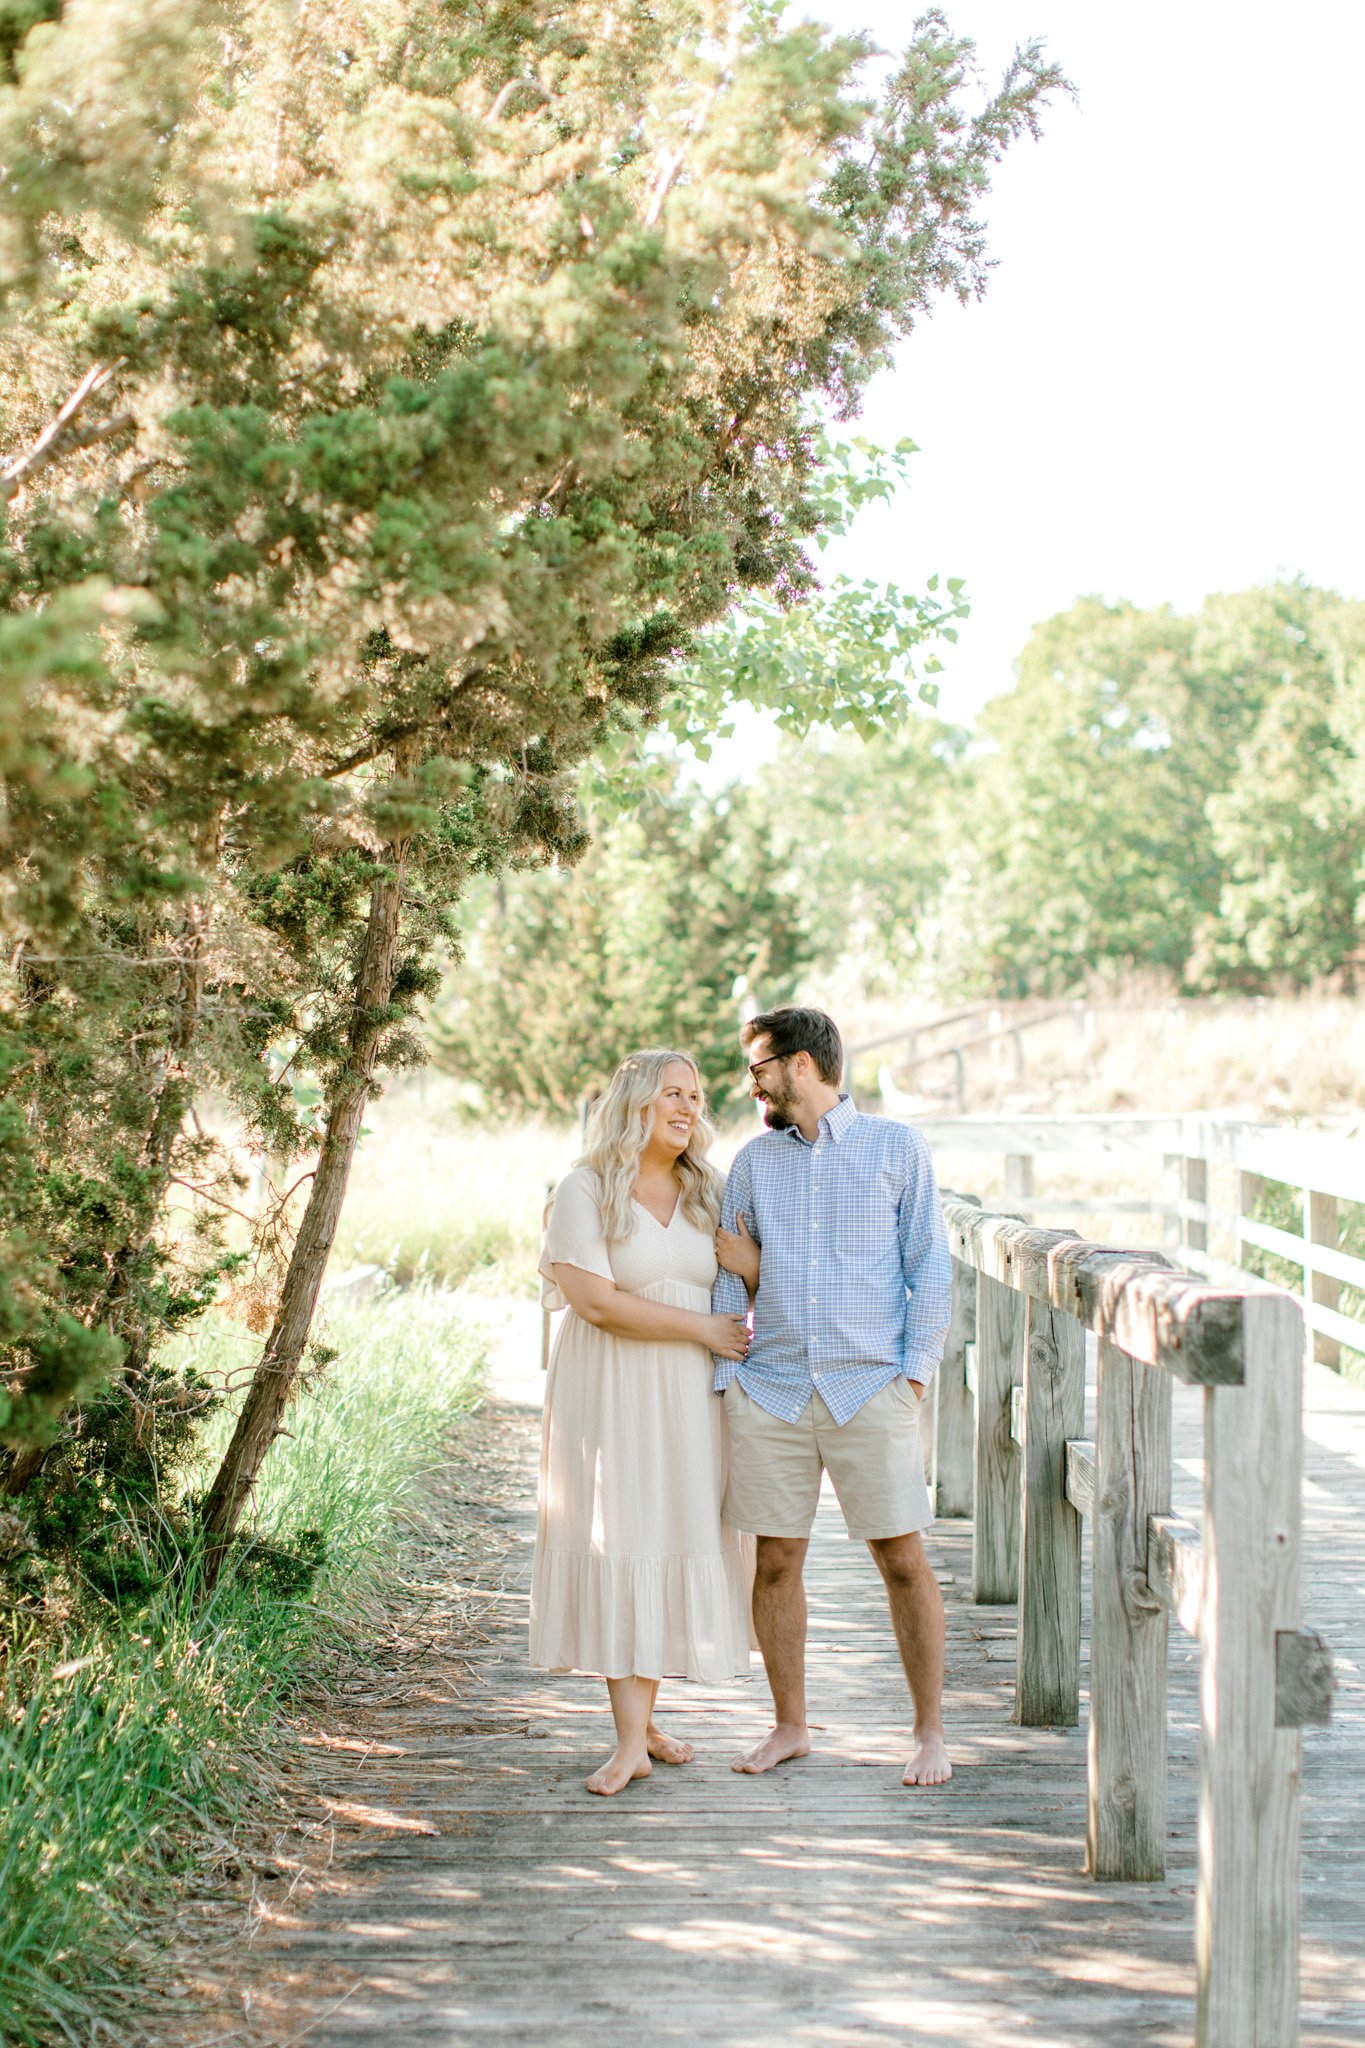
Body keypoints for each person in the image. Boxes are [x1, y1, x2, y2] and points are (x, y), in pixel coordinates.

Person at [710, 1005, 954, 1787]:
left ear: (801, 1066)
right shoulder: (752, 1163)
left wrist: (912, 1373)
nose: (752, 1085)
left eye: (758, 1069)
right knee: (775, 1561)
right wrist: (726, 1380)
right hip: (773, 1390)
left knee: (903, 1560)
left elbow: (931, 1269)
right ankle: (789, 1725)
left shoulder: (895, 1149)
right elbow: (727, 1273)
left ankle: (929, 1733)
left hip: (869, 1387)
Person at [531, 1048, 755, 1797]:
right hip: (612, 1389)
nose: (688, 1108)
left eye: (694, 1096)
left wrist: (751, 1270)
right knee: (623, 1536)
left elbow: (754, 1276)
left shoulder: (709, 1192)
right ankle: (629, 1742)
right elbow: (593, 1301)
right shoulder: (585, 1190)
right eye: (671, 1094)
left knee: (673, 1533)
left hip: (693, 1396)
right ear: (634, 1103)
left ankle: (645, 1719)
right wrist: (701, 1329)